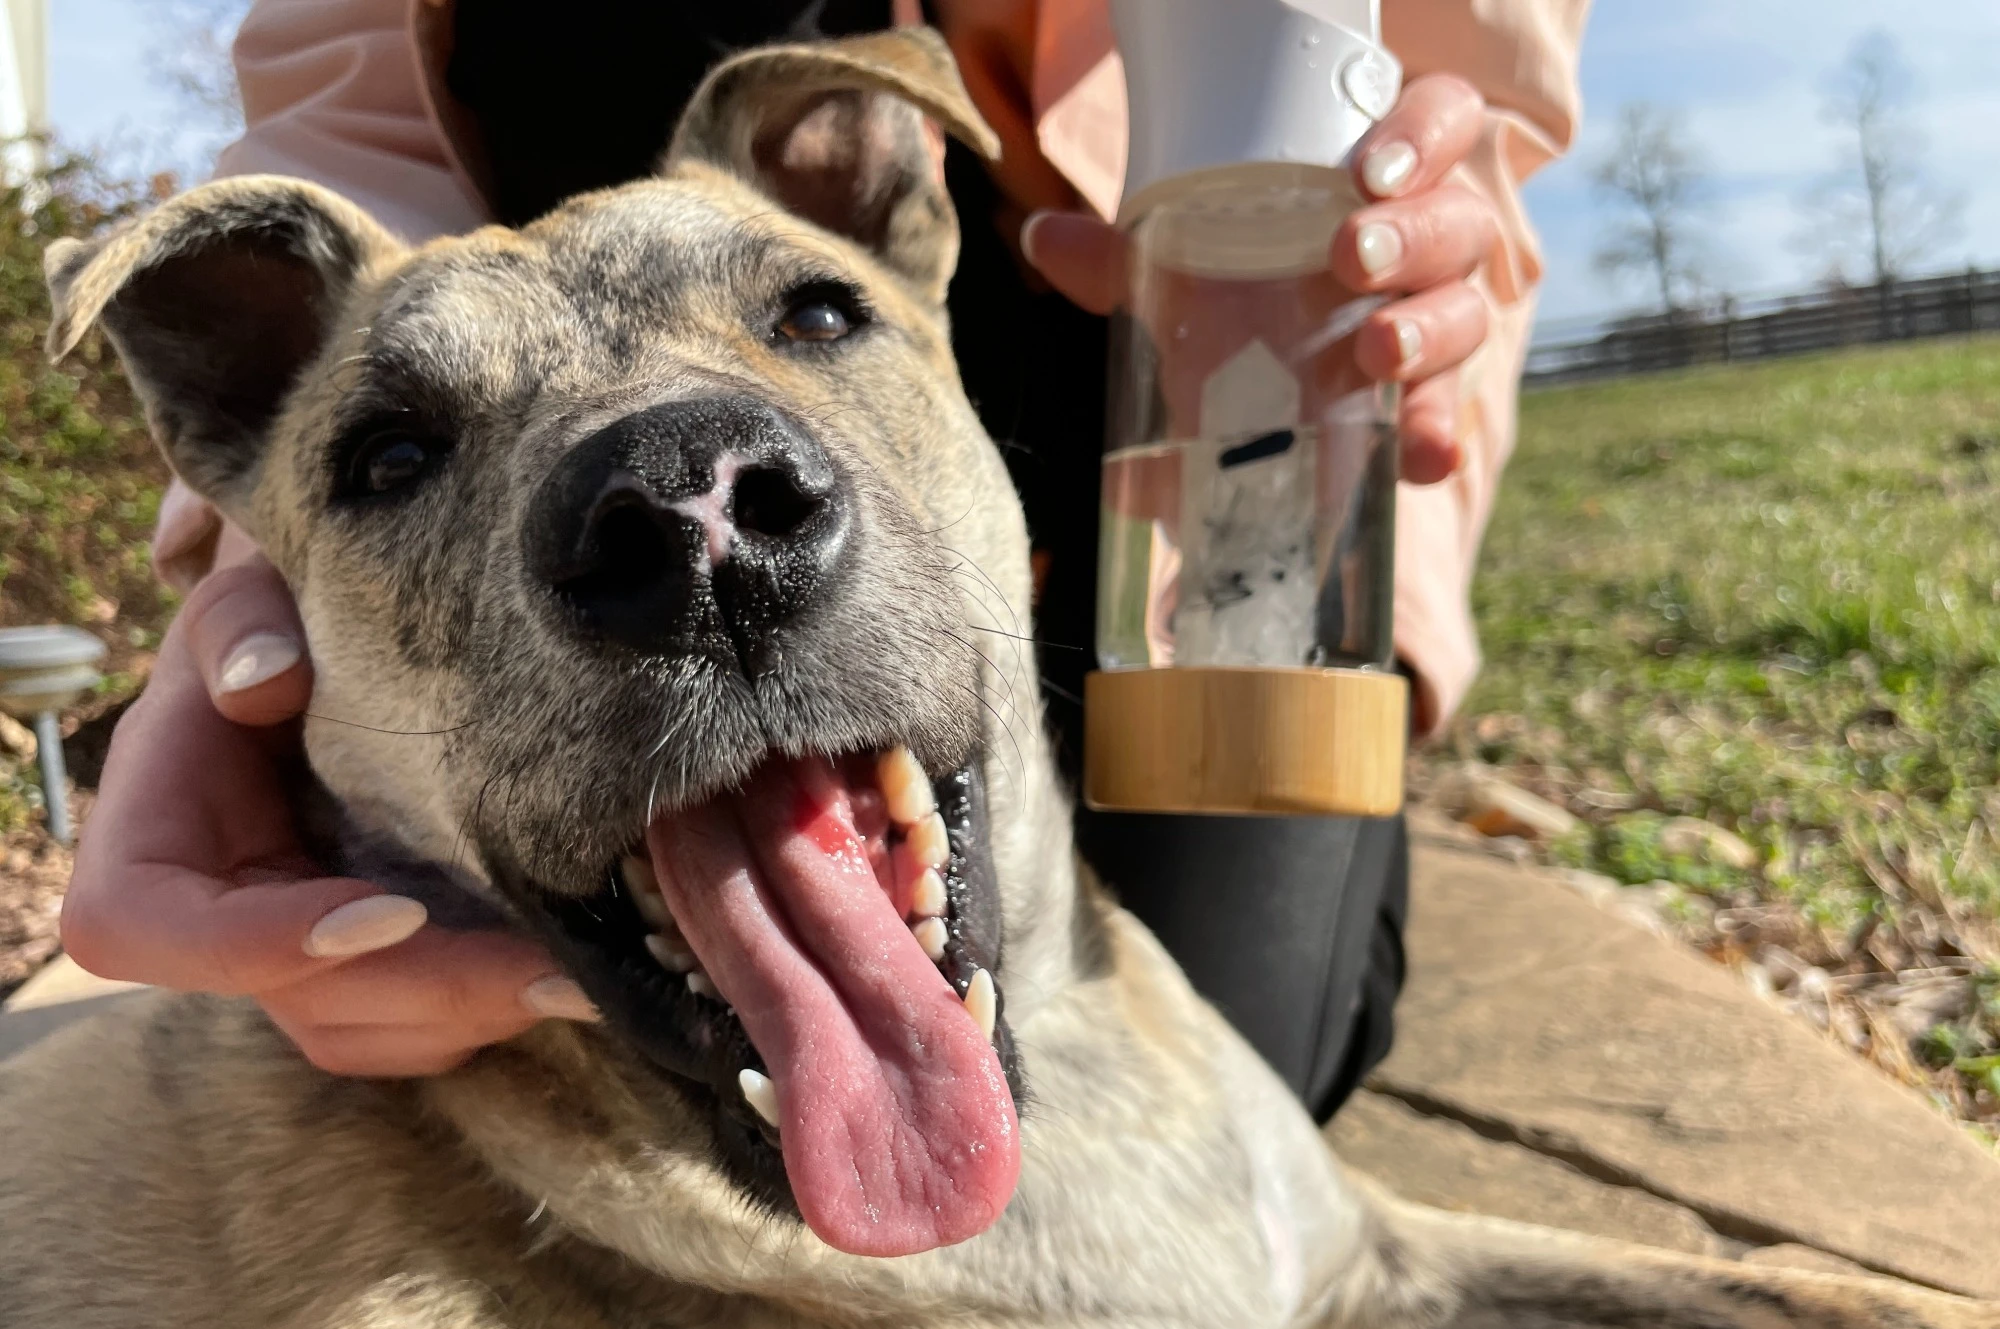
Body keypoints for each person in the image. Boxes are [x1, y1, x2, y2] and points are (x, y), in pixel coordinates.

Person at [62, 0, 1590, 1118]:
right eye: (394, 454)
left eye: (806, 307)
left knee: (1258, 1055)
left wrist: (1388, 325)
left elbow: (1466, 115)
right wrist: (259, 622)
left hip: (1196, 389)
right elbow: (351, 100)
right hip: (546, 351)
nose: (695, 518)